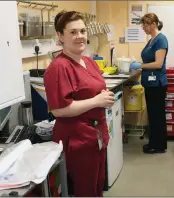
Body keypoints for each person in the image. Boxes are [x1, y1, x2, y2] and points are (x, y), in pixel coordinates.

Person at [44, 10, 115, 197]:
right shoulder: (59, 67)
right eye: (73, 32)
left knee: (97, 185)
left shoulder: (88, 62)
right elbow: (59, 110)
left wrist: (102, 95)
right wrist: (97, 100)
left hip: (96, 134)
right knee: (85, 190)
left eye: (83, 31)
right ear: (60, 36)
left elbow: (92, 88)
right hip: (78, 138)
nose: (80, 36)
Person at [129, 13, 169, 154]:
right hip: (150, 83)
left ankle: (157, 146)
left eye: (145, 25)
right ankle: (156, 143)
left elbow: (158, 64)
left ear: (153, 24)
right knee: (153, 114)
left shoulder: (161, 40)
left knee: (157, 115)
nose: (144, 28)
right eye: (143, 25)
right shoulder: (152, 40)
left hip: (157, 84)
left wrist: (139, 65)